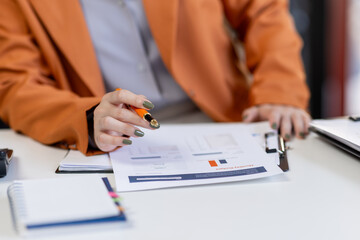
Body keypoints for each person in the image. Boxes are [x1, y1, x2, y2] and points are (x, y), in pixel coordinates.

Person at [0, 0, 310, 155]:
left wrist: (279, 94)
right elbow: (17, 86)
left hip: (224, 121)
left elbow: (262, 12)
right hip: (114, 145)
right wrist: (88, 117)